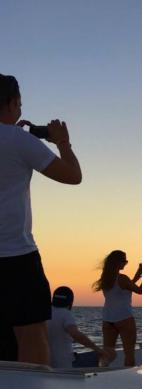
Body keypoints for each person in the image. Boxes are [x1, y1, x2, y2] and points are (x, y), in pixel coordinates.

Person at [0, 74, 82, 365]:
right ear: (10, 103)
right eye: (19, 104)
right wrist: (62, 142)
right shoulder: (18, 140)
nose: (20, 111)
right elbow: (73, 177)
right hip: (16, 256)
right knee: (32, 335)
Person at [93, 250, 142, 367]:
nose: (125, 264)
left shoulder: (106, 279)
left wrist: (137, 277)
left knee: (107, 355)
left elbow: (124, 288)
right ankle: (128, 381)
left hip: (108, 319)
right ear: (118, 262)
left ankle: (103, 376)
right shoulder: (122, 278)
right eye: (124, 261)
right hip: (124, 318)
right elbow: (140, 291)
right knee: (129, 355)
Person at [47, 286, 115, 368]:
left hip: (46, 364)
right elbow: (75, 334)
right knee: (110, 352)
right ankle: (100, 375)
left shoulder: (44, 315)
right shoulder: (66, 314)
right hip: (66, 365)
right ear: (70, 302)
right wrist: (98, 349)